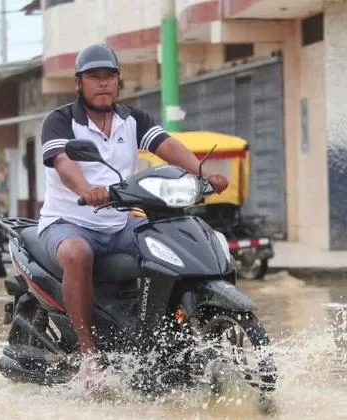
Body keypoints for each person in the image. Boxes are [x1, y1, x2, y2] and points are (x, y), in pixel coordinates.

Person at [37, 44, 229, 377]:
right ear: (79, 82)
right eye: (94, 77)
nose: (103, 84)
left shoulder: (132, 119)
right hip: (69, 221)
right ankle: (88, 356)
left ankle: (161, 339)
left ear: (118, 81)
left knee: (172, 243)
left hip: (119, 221)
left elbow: (166, 145)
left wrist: (202, 174)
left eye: (109, 76)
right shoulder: (60, 121)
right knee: (77, 254)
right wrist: (86, 189)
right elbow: (63, 162)